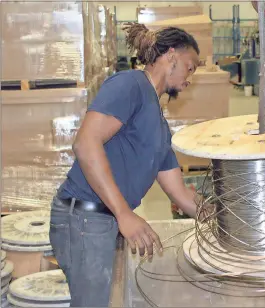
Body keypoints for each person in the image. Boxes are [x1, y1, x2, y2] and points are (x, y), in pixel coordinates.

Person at [49, 23, 205, 307]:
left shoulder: (158, 125)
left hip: (103, 220)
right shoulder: (130, 85)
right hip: (85, 218)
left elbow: (180, 195)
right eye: (190, 67)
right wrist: (124, 214)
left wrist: (224, 219)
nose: (190, 78)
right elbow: (85, 144)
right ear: (171, 55)